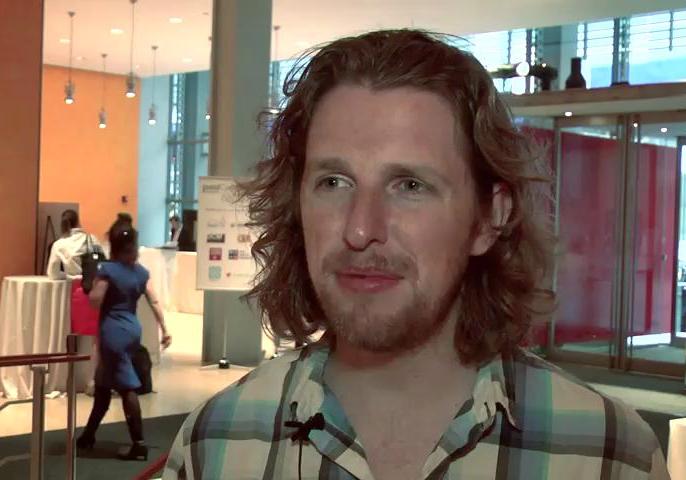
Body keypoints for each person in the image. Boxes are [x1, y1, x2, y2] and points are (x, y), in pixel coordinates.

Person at [163, 30, 669, 479]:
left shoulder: (606, 456)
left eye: (409, 185)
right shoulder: (216, 443)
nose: (361, 229)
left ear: (488, 219)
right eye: (333, 182)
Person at [77, 221, 172, 461]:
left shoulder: (108, 270)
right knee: (102, 384)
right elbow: (154, 301)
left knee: (126, 386)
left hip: (113, 332)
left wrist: (90, 284)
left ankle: (138, 443)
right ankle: (88, 435)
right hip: (131, 329)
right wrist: (165, 329)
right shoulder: (140, 272)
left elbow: (95, 300)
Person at [46, 209, 102, 279]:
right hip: (90, 283)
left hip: (70, 284)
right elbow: (100, 263)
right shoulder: (92, 239)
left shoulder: (58, 244)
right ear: (78, 222)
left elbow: (53, 273)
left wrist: (67, 276)